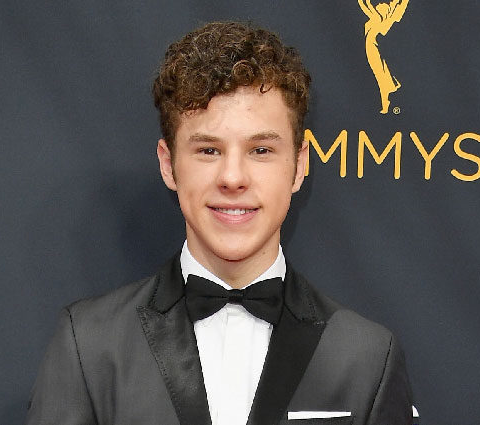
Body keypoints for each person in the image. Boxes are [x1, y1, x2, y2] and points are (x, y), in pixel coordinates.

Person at [25, 21, 413, 425]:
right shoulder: (88, 344)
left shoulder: (367, 356)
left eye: (261, 149)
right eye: (208, 150)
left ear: (299, 167)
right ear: (168, 164)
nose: (232, 177)